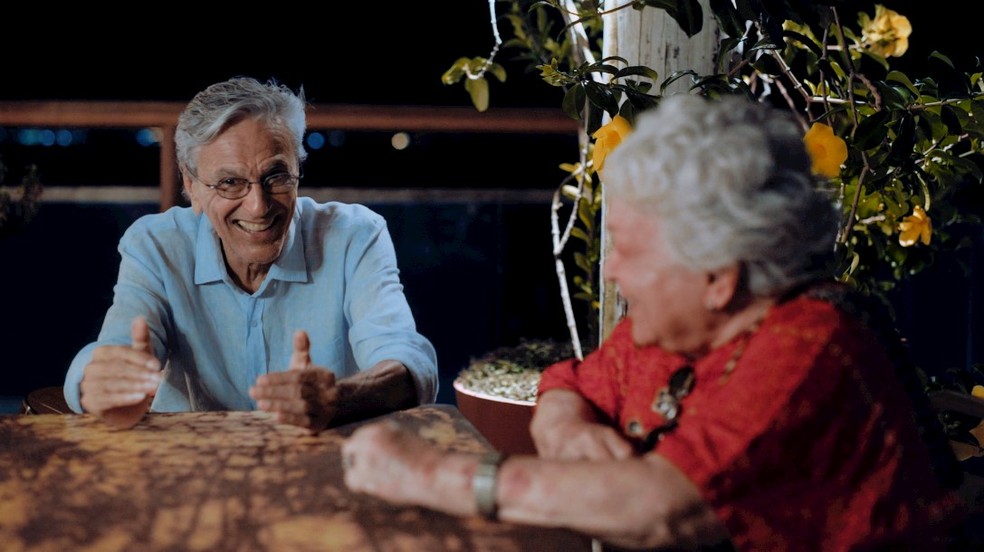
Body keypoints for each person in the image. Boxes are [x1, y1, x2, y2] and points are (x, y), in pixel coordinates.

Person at [341, 94, 966, 550]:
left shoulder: (812, 346)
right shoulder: (686, 331)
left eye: (632, 251)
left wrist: (430, 474)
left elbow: (664, 507)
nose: (611, 270)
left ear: (718, 275)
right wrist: (571, 431)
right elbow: (572, 380)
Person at [63, 76, 438, 431]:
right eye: (230, 183)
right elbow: (115, 355)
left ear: (297, 171)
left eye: (276, 176)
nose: (258, 207)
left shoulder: (357, 236)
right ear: (191, 186)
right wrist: (98, 385)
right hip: (194, 468)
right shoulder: (156, 245)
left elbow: (409, 363)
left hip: (323, 462)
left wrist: (338, 399)